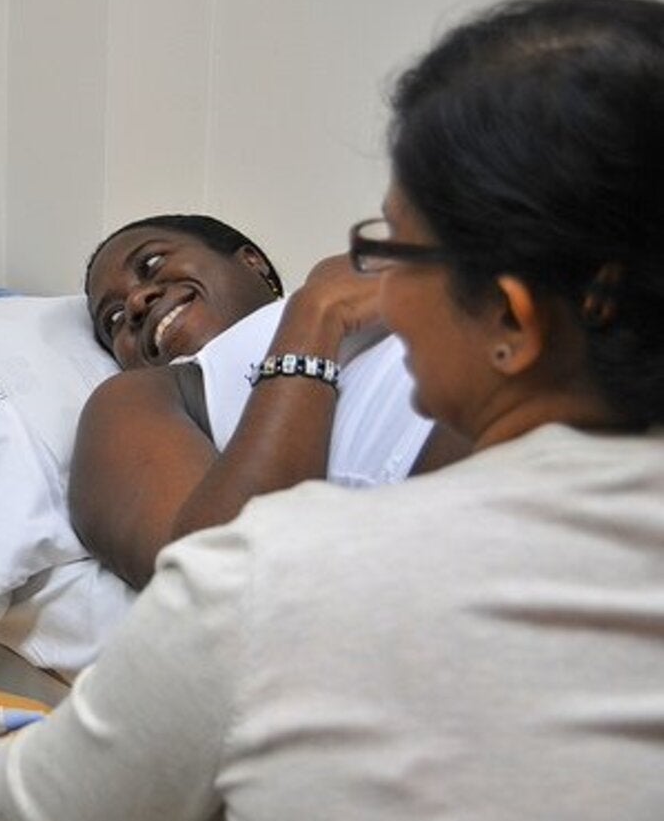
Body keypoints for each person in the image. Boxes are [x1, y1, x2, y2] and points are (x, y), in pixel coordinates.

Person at [0, 0, 664, 821]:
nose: (137, 305)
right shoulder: (148, 401)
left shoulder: (284, 574)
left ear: (514, 319)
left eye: (394, 250)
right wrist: (308, 329)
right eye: (110, 320)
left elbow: (60, 815)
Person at [71, 215, 467, 587]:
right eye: (114, 320)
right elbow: (212, 578)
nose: (137, 302)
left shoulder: (359, 277)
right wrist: (315, 316)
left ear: (252, 262)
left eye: (152, 262)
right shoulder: (143, 394)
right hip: (463, 496)